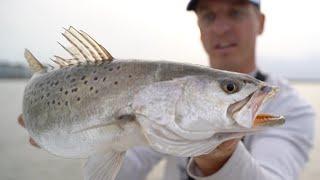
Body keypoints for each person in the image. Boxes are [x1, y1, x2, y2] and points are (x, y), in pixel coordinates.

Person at [18, 0, 316, 179]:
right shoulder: (165, 106)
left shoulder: (292, 107)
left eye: (235, 12)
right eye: (208, 16)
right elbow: (127, 172)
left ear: (260, 22)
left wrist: (218, 155)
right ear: (199, 26)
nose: (220, 28)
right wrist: (71, 138)